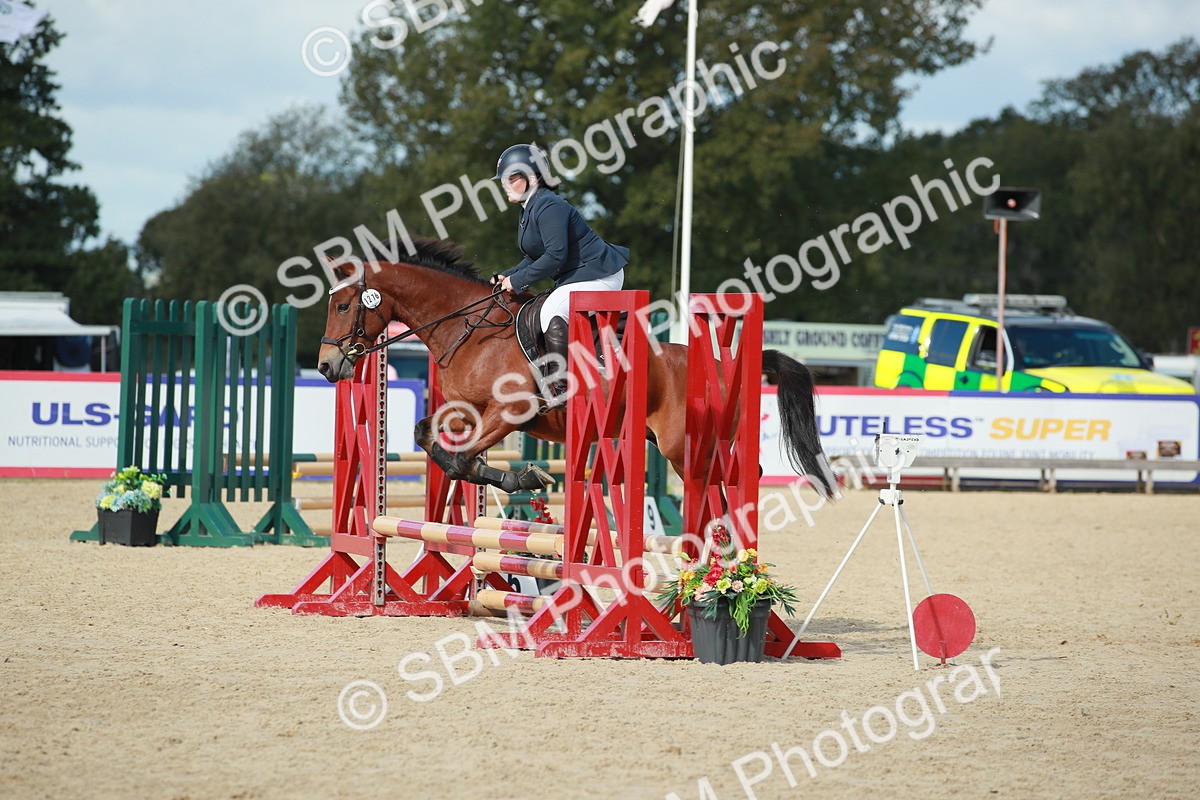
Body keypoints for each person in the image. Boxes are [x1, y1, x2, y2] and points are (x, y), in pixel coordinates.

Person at [491, 144, 629, 399]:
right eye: (504, 180)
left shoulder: (548, 205)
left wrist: (518, 280)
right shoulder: (528, 208)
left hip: (599, 275)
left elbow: (555, 256)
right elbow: (533, 256)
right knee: (549, 306)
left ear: (532, 178)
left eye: (512, 179)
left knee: (552, 309)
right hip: (578, 276)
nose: (505, 185)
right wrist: (506, 275)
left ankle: (563, 388)